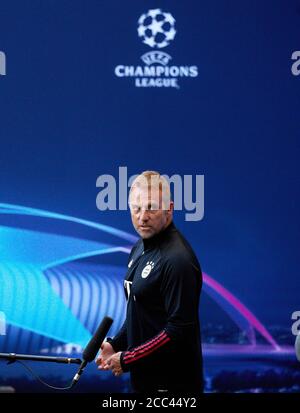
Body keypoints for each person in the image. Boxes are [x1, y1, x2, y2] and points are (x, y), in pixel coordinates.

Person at [96, 171, 203, 393]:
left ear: (169, 209)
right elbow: (140, 310)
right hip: (144, 383)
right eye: (136, 208)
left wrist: (128, 359)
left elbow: (179, 330)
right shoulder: (139, 248)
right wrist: (115, 344)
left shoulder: (178, 259)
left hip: (174, 387)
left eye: (151, 207)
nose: (142, 216)